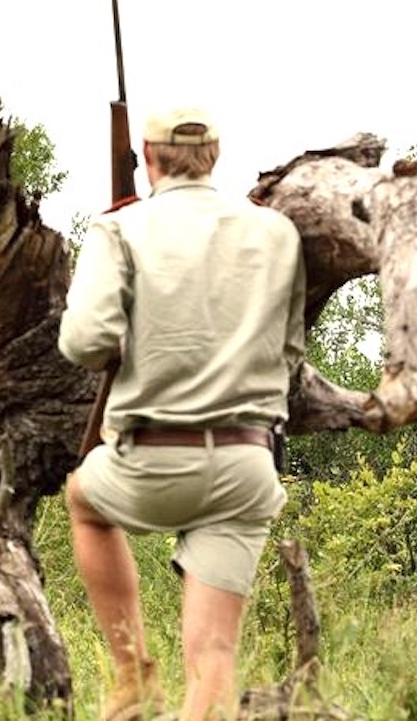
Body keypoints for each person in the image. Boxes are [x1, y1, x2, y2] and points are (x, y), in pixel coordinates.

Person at [58, 107, 305, 721]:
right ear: (215, 156)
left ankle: (133, 672)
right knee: (215, 652)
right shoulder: (276, 234)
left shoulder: (120, 229)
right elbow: (290, 349)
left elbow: (84, 343)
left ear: (148, 156)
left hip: (150, 464)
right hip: (247, 466)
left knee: (84, 502)